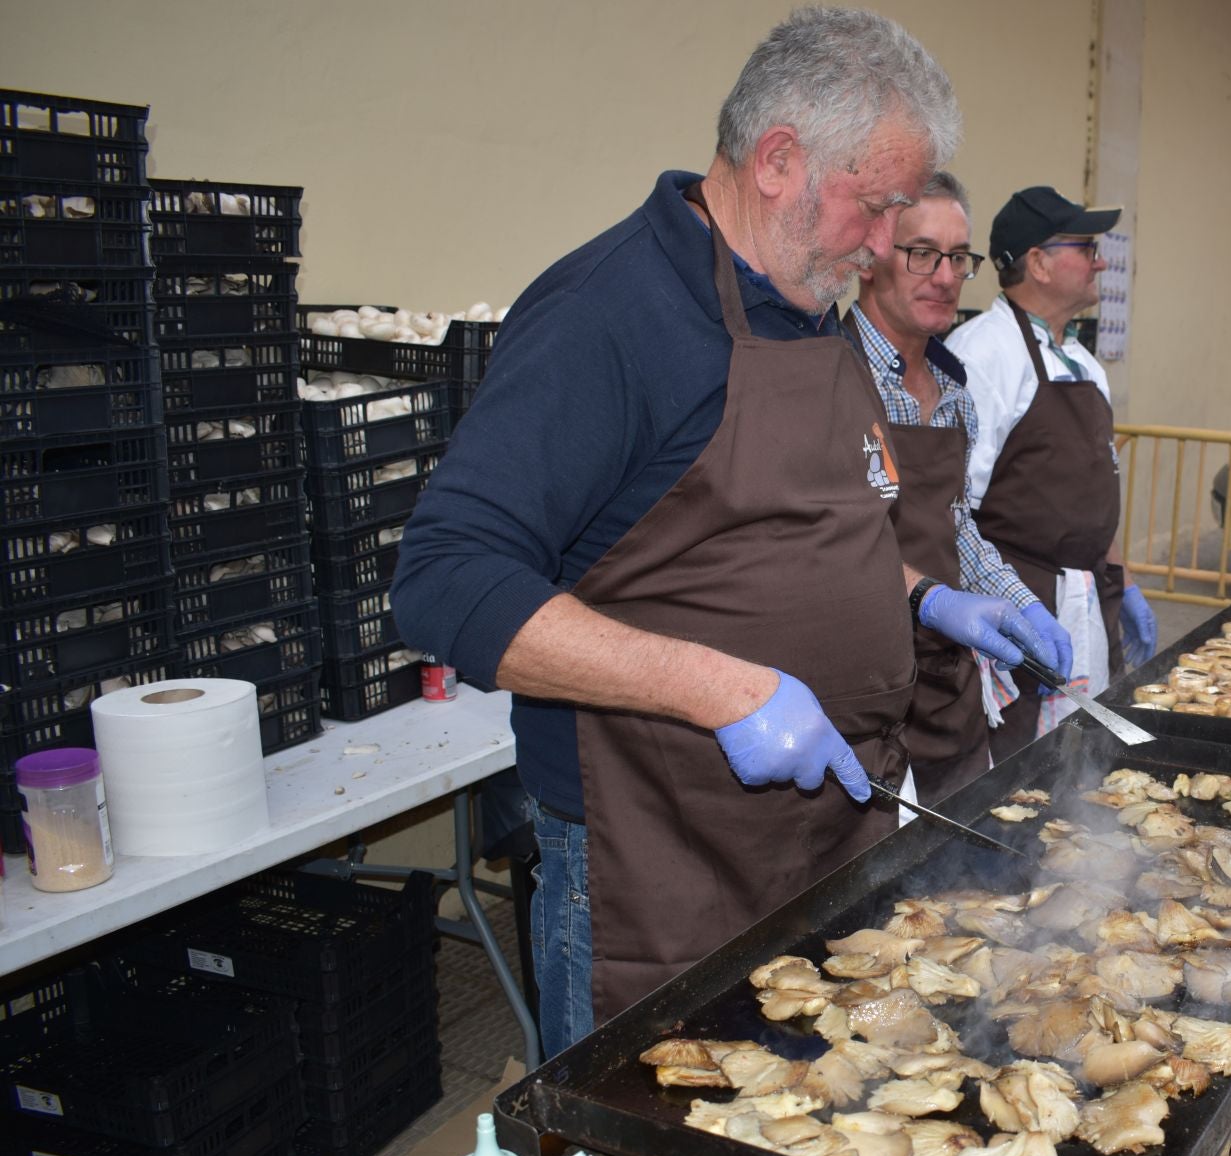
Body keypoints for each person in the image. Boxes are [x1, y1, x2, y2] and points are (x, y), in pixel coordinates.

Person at [391, 8, 1060, 1059]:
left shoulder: (810, 308)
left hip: (831, 840)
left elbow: (788, 543)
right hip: (660, 868)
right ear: (780, 161)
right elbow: (443, 581)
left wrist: (928, 599)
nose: (888, 246)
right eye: (879, 206)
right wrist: (724, 688)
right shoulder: (608, 315)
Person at [844, 171, 1073, 802]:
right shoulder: (829, 379)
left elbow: (955, 521)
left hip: (949, 686)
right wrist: (931, 598)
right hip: (862, 698)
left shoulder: (954, 391)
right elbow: (825, 545)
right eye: (921, 253)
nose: (945, 276)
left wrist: (1018, 599)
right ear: (869, 258)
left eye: (958, 257)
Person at [945, 185, 1157, 750]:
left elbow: (1096, 491)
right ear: (1037, 262)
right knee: (1019, 775)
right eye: (1085, 247)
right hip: (1019, 616)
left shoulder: (1085, 365)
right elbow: (953, 508)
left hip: (1089, 603)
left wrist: (1125, 582)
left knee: (1083, 765)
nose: (1100, 261)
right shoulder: (983, 355)